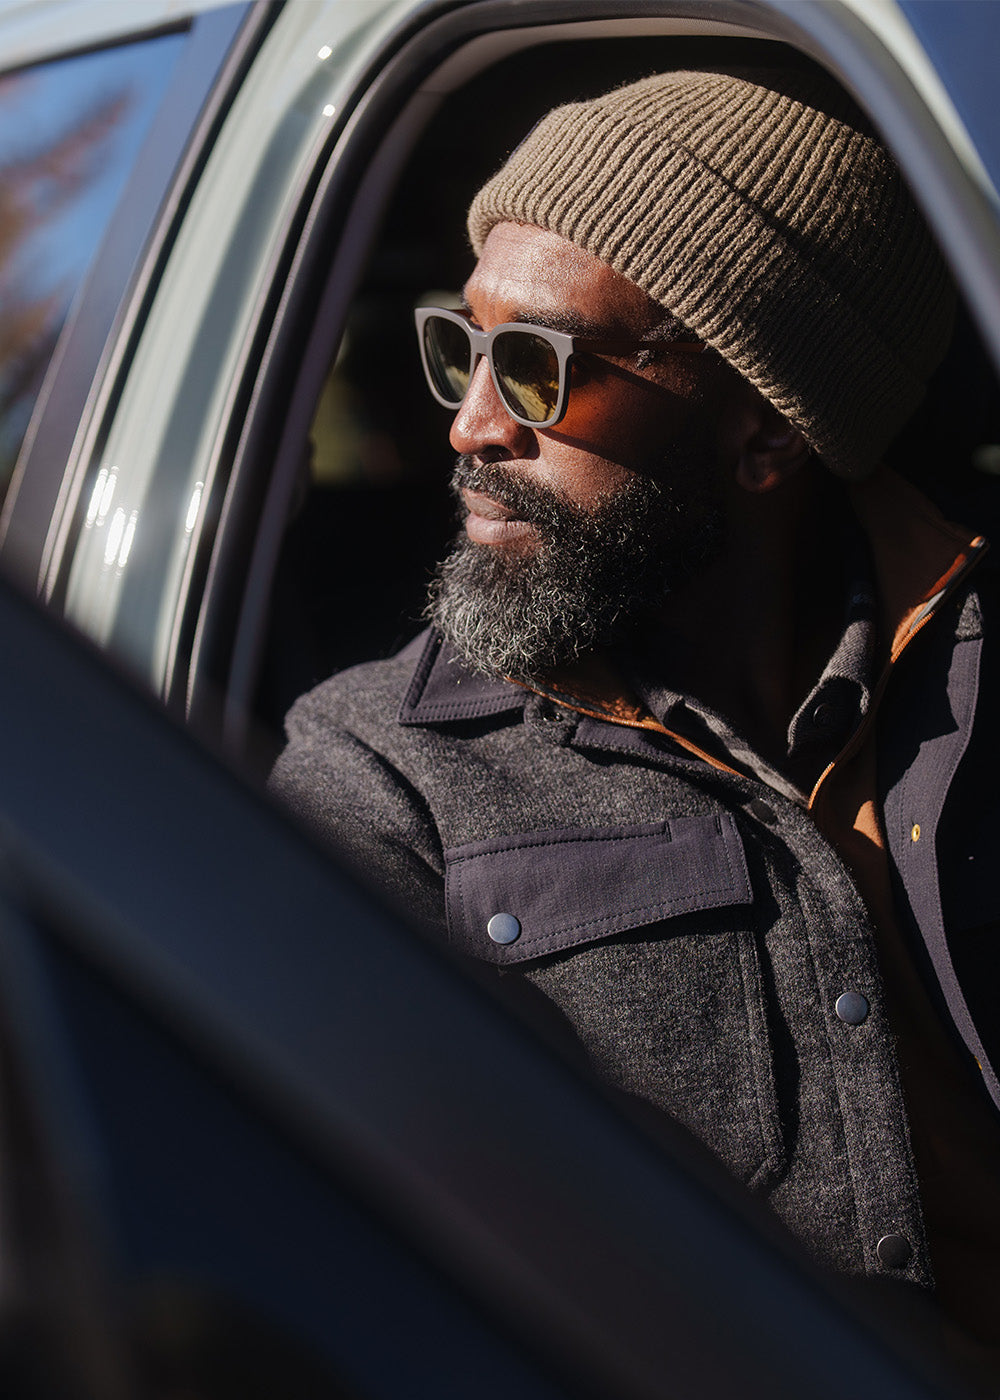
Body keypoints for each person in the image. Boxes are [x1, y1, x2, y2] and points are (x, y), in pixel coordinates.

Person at [271, 65, 1000, 1369]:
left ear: (766, 433)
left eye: (540, 368)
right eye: (462, 349)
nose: (471, 425)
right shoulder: (380, 774)